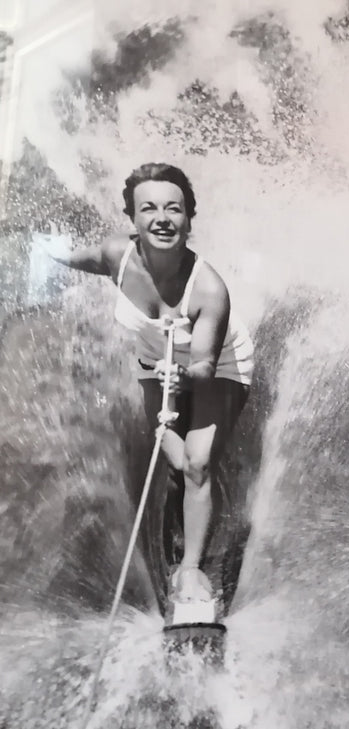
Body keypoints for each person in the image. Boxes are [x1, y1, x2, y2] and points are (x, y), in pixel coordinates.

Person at [34, 163, 254, 604]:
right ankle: (184, 514)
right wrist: (55, 254)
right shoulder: (119, 257)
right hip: (154, 359)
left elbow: (205, 365)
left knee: (195, 462)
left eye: (174, 209)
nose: (162, 218)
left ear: (190, 219)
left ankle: (192, 571)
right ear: (132, 220)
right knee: (169, 450)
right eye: (148, 208)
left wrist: (185, 374)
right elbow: (89, 258)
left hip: (218, 363)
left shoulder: (209, 290)